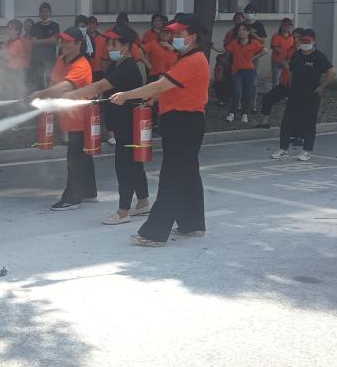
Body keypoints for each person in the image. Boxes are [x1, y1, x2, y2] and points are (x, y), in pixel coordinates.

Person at [109, 13, 210, 246]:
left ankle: (154, 233)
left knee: (172, 177)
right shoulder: (187, 58)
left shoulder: (193, 60)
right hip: (182, 122)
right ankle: (192, 224)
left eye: (180, 33)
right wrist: (155, 98)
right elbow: (172, 88)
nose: (174, 36)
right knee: (188, 174)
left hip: (184, 123)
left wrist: (127, 95)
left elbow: (161, 84)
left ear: (193, 36)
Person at [65, 24, 151, 224]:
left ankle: (123, 211)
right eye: (109, 44)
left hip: (128, 125)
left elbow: (102, 85)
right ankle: (143, 202)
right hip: (124, 124)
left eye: (114, 44)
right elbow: (106, 88)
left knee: (125, 165)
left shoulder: (127, 67)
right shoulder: (118, 65)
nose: (109, 48)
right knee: (134, 163)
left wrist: (74, 94)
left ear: (126, 46)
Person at [29, 27, 95, 210]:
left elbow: (65, 86)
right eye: (62, 41)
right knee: (83, 156)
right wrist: (46, 97)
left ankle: (72, 198)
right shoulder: (62, 59)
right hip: (68, 117)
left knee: (74, 158)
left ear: (78, 44)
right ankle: (89, 192)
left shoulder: (81, 65)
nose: (63, 44)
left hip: (80, 119)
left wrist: (41, 94)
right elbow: (54, 82)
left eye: (68, 42)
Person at [271, 29, 335, 161]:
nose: (304, 43)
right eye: (302, 41)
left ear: (313, 41)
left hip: (311, 94)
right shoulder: (296, 55)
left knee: (309, 122)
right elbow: (291, 70)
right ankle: (283, 149)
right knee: (287, 121)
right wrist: (291, 84)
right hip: (295, 93)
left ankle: (306, 150)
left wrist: (322, 87)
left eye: (307, 41)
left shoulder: (318, 56)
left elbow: (332, 72)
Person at [258, 28, 302, 128]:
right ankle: (265, 122)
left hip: (297, 85)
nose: (296, 40)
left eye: (298, 37)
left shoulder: (306, 52)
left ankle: (297, 127)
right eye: (294, 37)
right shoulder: (289, 50)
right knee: (268, 98)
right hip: (285, 83)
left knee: (294, 106)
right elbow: (279, 64)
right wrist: (284, 63)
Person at [224, 23, 265, 123]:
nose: (241, 32)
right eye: (239, 30)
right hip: (237, 71)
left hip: (249, 71)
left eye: (243, 30)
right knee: (237, 92)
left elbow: (265, 50)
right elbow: (225, 50)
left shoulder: (254, 42)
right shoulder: (234, 43)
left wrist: (254, 57)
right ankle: (232, 113)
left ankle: (245, 114)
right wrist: (213, 47)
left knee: (247, 93)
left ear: (248, 32)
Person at [0, 19, 32, 99]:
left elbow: (6, 57)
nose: (7, 30)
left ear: (17, 31)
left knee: (15, 93)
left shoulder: (17, 43)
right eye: (7, 28)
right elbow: (1, 56)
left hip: (16, 72)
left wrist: (1, 52)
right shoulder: (8, 42)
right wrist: (1, 53)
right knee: (7, 92)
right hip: (8, 70)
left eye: (10, 28)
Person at [28, 2, 60, 89]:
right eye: (42, 11)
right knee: (38, 84)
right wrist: (49, 40)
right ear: (39, 13)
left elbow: (55, 41)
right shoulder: (35, 26)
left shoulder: (55, 26)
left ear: (50, 13)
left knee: (50, 83)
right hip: (37, 61)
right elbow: (33, 42)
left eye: (46, 11)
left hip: (50, 60)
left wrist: (39, 41)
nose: (44, 13)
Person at [270, 18, 296, 96]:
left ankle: (285, 95)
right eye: (286, 25)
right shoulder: (276, 35)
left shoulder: (292, 36)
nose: (288, 27)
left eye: (289, 25)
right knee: (276, 80)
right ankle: (275, 96)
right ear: (282, 25)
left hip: (288, 61)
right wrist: (285, 52)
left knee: (287, 79)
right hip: (277, 61)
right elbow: (274, 47)